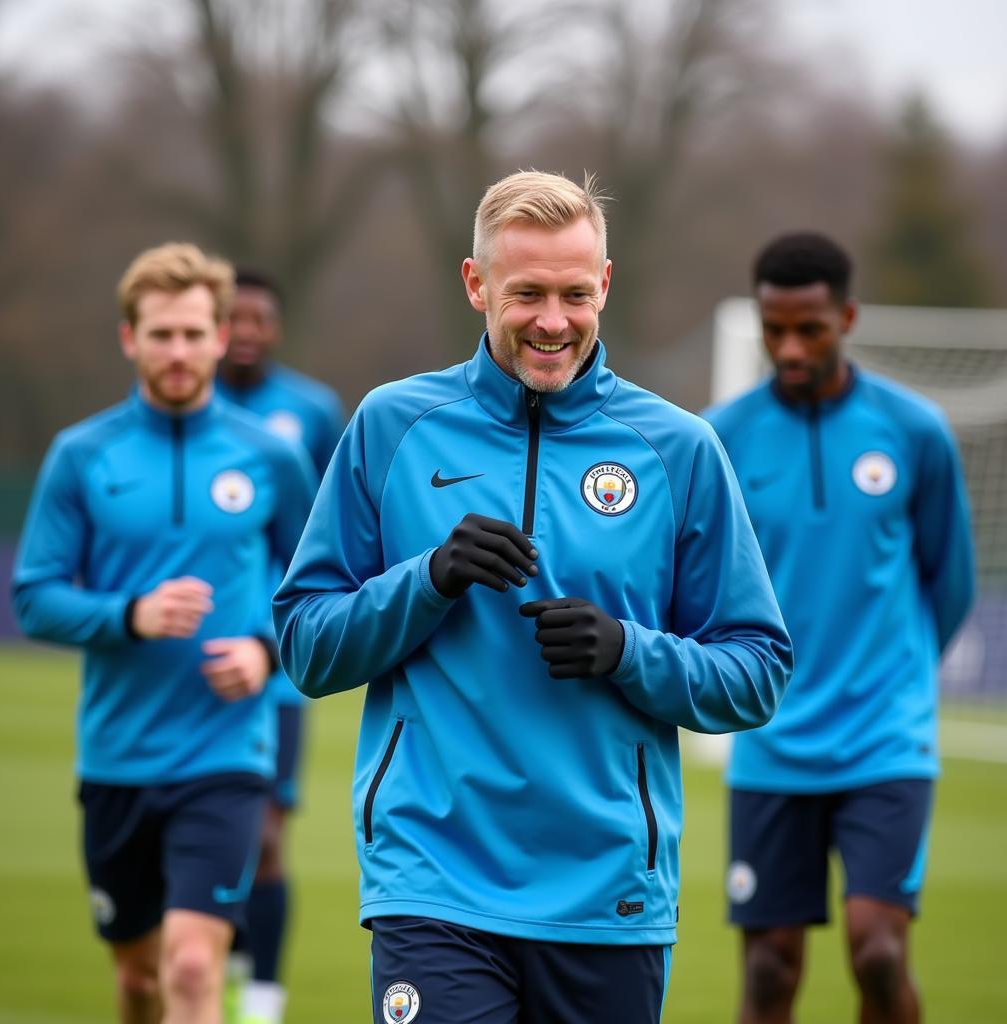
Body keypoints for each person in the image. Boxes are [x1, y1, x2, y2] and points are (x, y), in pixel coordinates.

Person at [272, 170, 793, 1024]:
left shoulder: (680, 449)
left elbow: (757, 671)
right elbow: (304, 646)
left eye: (575, 294)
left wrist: (629, 652)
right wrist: (428, 579)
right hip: (433, 880)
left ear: (606, 286)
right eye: (528, 294)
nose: (554, 321)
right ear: (477, 285)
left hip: (608, 893)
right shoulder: (390, 426)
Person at [12, 243, 316, 1024]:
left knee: (190, 968)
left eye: (192, 333)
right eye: (160, 334)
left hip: (225, 755)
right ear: (129, 339)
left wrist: (265, 650)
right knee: (141, 980)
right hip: (116, 757)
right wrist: (128, 616)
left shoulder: (273, 457)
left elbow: (320, 589)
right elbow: (34, 598)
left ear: (220, 336)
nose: (178, 351)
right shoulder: (81, 456)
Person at [702, 232, 976, 1024]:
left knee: (879, 955)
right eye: (773, 328)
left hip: (884, 735)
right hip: (770, 737)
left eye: (810, 329)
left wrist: (897, 672)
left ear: (847, 317)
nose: (789, 347)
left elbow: (948, 582)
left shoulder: (914, 431)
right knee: (767, 974)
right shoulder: (720, 436)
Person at [216, 269, 346, 1024]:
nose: (245, 331)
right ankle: (221, 957)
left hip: (277, 667)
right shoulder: (186, 410)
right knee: (210, 836)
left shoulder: (310, 411)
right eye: (232, 317)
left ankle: (263, 998)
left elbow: (329, 529)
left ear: (278, 326)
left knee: (265, 834)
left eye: (259, 318)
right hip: (192, 658)